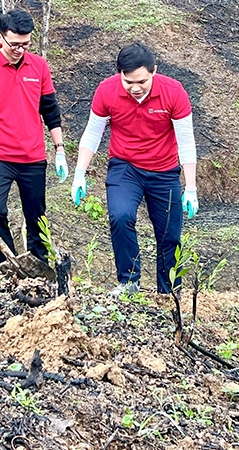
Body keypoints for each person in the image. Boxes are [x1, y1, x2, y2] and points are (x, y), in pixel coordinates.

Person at [70, 43, 199, 297]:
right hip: (125, 167)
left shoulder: (174, 92)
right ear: (120, 75)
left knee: (169, 235)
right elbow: (93, 133)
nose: (135, 87)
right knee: (120, 216)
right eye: (128, 82)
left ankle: (169, 291)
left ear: (154, 72)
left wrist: (191, 187)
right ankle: (129, 281)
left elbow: (186, 141)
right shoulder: (107, 91)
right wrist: (79, 174)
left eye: (142, 81)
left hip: (164, 170)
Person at [0, 8, 68, 267]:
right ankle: (8, 263)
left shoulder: (38, 66)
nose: (20, 49)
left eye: (25, 44)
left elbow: (50, 109)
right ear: (0, 37)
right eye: (14, 44)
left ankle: (40, 266)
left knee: (36, 217)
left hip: (33, 157)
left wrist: (59, 148)